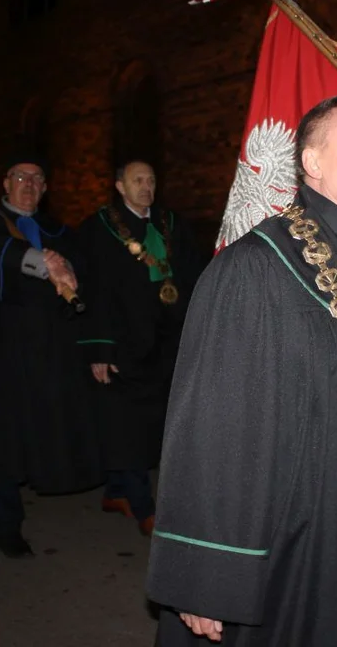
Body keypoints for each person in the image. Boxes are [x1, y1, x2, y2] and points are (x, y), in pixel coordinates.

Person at [146, 94, 337, 646]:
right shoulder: (256, 269)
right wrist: (206, 573)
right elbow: (216, 430)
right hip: (311, 539)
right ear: (312, 163)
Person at [0, 152, 102, 559]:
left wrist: (70, 272)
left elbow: (83, 275)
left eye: (38, 179)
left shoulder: (58, 230)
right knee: (3, 437)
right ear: (5, 184)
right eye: (21, 177)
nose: (29, 184)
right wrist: (41, 262)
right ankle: (8, 524)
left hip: (49, 350)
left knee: (45, 427)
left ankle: (54, 479)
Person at [77, 160, 201, 536]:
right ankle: (144, 505)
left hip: (166, 339)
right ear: (119, 185)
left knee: (157, 424)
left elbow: (193, 272)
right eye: (137, 180)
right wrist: (100, 347)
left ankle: (117, 492)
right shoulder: (98, 228)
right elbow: (94, 289)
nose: (146, 187)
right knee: (125, 426)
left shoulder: (171, 223)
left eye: (151, 179)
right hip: (122, 342)